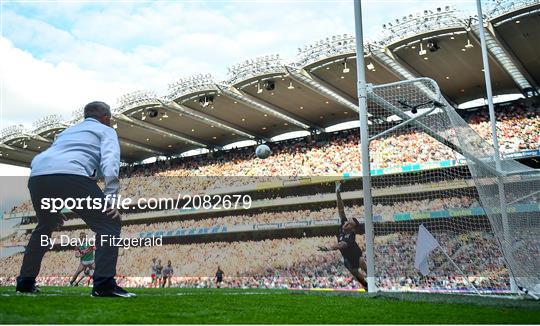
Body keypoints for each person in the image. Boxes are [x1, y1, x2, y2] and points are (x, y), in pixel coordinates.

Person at [16, 101, 135, 298]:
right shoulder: (106, 130)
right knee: (109, 222)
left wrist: (57, 207)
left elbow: (57, 160)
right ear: (106, 118)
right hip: (71, 175)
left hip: (37, 175)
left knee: (45, 226)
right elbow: (111, 161)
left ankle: (25, 282)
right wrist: (111, 198)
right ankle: (104, 285)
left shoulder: (66, 132)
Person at [318, 181, 368, 289]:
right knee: (357, 275)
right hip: (347, 258)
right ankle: (367, 286)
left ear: (352, 229)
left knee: (362, 263)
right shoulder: (343, 225)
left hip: (355, 253)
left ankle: (372, 278)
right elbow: (341, 209)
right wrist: (337, 192)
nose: (346, 223)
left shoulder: (350, 237)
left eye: (349, 224)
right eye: (347, 221)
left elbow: (341, 245)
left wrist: (328, 248)